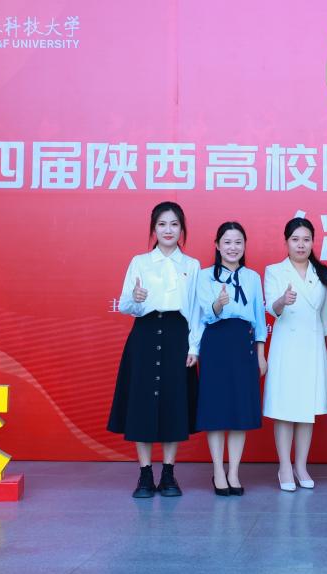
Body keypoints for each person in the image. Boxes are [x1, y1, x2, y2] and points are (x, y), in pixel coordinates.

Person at [107, 201, 201, 498]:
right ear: (153, 229)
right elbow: (126, 305)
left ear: (182, 229)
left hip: (177, 335)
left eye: (174, 224)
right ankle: (145, 474)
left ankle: (169, 473)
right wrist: (136, 298)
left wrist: (194, 346)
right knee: (142, 404)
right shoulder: (140, 262)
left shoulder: (191, 265)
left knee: (174, 403)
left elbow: (196, 310)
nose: (168, 230)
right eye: (162, 224)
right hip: (145, 335)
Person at [263, 217, 327, 491]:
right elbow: (272, 309)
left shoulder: (323, 274)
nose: (301, 245)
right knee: (285, 409)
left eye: (306, 239)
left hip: (313, 348)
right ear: (286, 242)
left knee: (307, 409)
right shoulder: (275, 271)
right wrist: (283, 300)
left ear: (313, 242)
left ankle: (301, 465)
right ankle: (284, 466)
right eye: (295, 239)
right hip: (286, 347)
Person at [193, 222, 267, 496]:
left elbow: (259, 318)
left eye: (238, 242)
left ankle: (234, 471)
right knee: (216, 410)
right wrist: (218, 304)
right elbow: (205, 314)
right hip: (215, 342)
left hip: (243, 343)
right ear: (217, 245)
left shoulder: (252, 277)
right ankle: (218, 471)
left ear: (244, 246)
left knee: (239, 411)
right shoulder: (204, 276)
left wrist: (261, 354)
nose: (232, 247)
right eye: (227, 242)